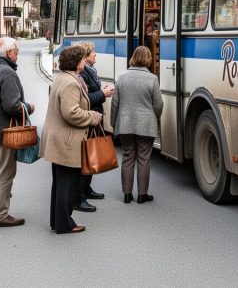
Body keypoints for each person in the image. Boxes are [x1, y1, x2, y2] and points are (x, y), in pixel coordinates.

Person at [41, 44, 103, 234]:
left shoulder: (63, 78)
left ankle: (57, 222)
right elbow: (71, 113)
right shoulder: (70, 83)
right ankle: (65, 224)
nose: (85, 61)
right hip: (66, 141)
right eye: (83, 59)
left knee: (60, 184)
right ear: (77, 63)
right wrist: (92, 116)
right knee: (67, 185)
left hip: (59, 139)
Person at [0, 37, 35, 227]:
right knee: (4, 174)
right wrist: (28, 107)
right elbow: (11, 106)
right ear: (9, 53)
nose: (18, 54)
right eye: (16, 50)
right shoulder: (7, 73)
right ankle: (0, 215)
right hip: (3, 132)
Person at [111, 46, 163, 204]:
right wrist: (156, 118)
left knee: (128, 157)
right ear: (148, 59)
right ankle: (142, 195)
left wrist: (114, 123)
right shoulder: (153, 79)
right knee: (144, 159)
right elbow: (158, 105)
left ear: (133, 57)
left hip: (125, 124)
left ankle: (127, 194)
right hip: (146, 125)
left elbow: (115, 103)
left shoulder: (121, 77)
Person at [78, 40, 113, 203]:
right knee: (86, 155)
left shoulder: (90, 71)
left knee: (90, 155)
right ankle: (81, 194)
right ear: (85, 56)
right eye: (93, 52)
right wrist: (103, 94)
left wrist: (100, 91)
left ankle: (86, 188)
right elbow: (85, 99)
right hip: (90, 118)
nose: (95, 54)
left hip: (96, 117)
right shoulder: (83, 73)